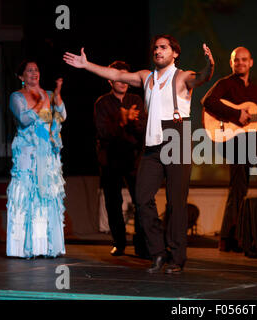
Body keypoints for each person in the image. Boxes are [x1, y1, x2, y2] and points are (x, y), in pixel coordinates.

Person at [64, 34, 214, 274]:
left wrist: (210, 64)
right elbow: (116, 75)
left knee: (176, 202)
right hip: (153, 142)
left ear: (174, 53)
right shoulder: (147, 76)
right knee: (142, 199)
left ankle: (177, 257)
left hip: (176, 136)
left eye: (163, 48)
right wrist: (86, 65)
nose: (158, 51)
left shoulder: (182, 76)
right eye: (155, 48)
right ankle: (157, 252)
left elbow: (203, 77)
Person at [201, 47, 257, 252]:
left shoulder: (255, 91)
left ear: (251, 62)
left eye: (244, 60)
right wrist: (235, 114)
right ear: (231, 63)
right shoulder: (225, 84)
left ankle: (226, 239)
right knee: (250, 143)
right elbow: (207, 101)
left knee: (238, 188)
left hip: (246, 143)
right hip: (226, 140)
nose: (240, 63)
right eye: (236, 60)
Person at [6, 59, 66, 258]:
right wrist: (40, 103)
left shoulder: (48, 94)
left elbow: (61, 117)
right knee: (26, 191)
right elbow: (23, 119)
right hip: (26, 153)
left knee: (46, 194)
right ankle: (22, 247)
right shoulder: (17, 96)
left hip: (46, 153)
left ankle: (46, 245)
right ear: (21, 76)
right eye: (29, 70)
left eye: (36, 70)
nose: (34, 73)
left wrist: (56, 97)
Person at [94, 60, 149, 257]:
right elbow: (103, 132)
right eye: (119, 77)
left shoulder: (136, 99)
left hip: (133, 158)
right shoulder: (102, 103)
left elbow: (143, 128)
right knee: (113, 202)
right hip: (110, 159)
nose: (123, 81)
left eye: (126, 76)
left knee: (141, 201)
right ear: (110, 80)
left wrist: (132, 120)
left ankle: (142, 244)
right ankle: (119, 242)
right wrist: (122, 119)